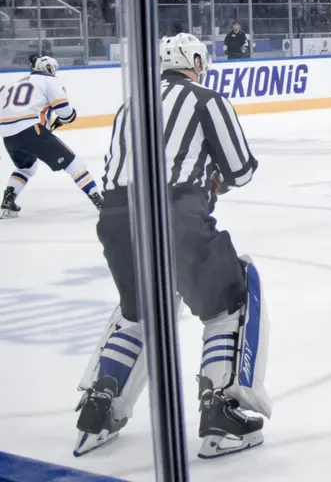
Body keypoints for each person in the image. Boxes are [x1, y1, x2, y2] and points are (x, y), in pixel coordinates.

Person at [77, 34, 269, 459]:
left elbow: (116, 169)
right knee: (230, 301)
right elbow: (239, 169)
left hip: (116, 219)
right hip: (176, 216)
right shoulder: (206, 99)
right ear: (196, 60)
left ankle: (99, 406)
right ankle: (222, 409)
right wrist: (218, 180)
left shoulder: (131, 105)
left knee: (141, 310)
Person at [0, 55, 102, 218]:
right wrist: (69, 116)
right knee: (74, 164)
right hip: (31, 130)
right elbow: (66, 113)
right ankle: (99, 201)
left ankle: (8, 202)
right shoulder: (49, 81)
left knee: (26, 167)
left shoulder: (12, 84)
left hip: (7, 135)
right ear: (48, 68)